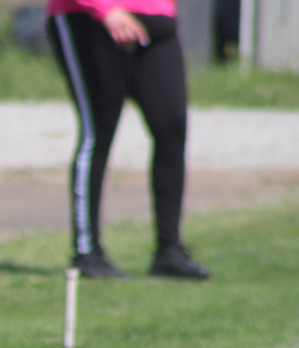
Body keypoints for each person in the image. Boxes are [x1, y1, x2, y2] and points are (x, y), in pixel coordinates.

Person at [46, 0, 210, 280]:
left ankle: (169, 251)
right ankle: (88, 253)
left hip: (156, 18)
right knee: (97, 132)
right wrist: (105, 9)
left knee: (171, 128)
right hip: (92, 19)